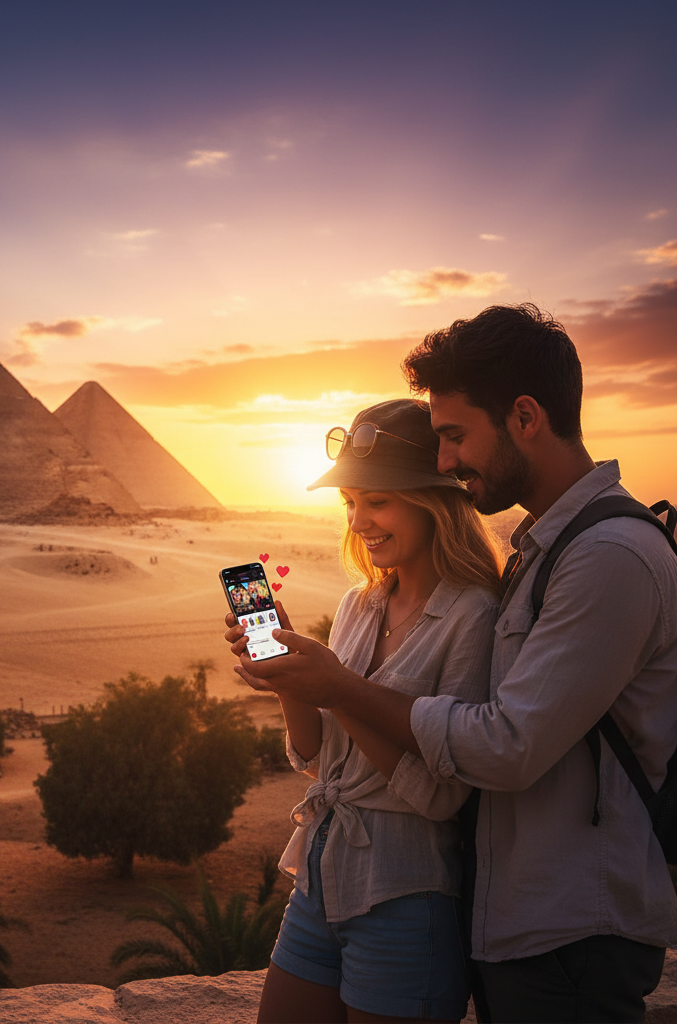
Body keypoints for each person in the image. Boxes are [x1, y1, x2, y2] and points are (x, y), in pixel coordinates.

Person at [231, 305, 677, 1023]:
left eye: (453, 436)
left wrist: (338, 686)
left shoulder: (606, 557)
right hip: (492, 909)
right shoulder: (539, 553)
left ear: (525, 416)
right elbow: (328, 758)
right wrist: (299, 680)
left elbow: (504, 748)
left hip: (571, 921)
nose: (445, 461)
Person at [227, 398, 503, 1023]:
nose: (359, 521)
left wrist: (337, 689)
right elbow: (315, 758)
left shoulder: (475, 615)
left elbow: (441, 796)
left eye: (377, 501)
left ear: (434, 502)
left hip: (405, 893)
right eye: (350, 502)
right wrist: (291, 680)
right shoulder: (360, 603)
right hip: (320, 875)